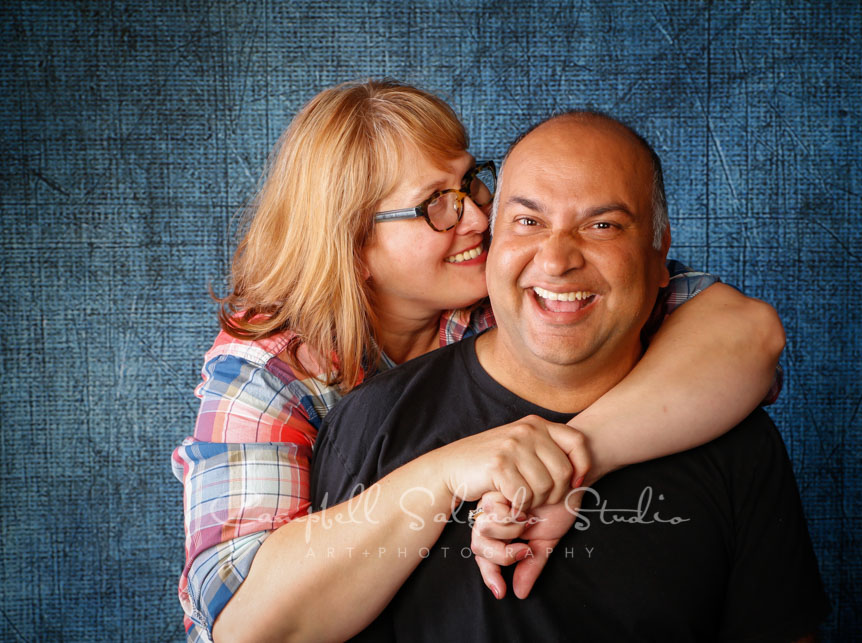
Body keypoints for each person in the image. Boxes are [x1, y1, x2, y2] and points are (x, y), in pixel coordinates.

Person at [171, 80, 785, 642]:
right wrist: (446, 473)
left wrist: (574, 456)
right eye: (435, 204)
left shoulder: (515, 297)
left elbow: (748, 336)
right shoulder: (269, 373)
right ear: (354, 245)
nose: (480, 217)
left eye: (471, 183)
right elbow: (241, 624)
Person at [311, 111, 828, 641]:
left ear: (659, 254)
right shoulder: (370, 422)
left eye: (602, 226)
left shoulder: (734, 437)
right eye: (528, 222)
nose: (556, 260)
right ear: (491, 244)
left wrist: (573, 460)